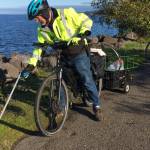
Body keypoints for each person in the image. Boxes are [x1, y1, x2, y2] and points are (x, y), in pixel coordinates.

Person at [22, 0, 102, 121]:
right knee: (61, 81)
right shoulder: (42, 30)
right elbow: (39, 48)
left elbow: (85, 19)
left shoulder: (66, 14)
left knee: (86, 78)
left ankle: (96, 106)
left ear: (44, 12)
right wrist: (31, 65)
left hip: (78, 51)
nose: (36, 21)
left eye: (37, 17)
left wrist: (84, 32)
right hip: (63, 54)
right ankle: (60, 107)